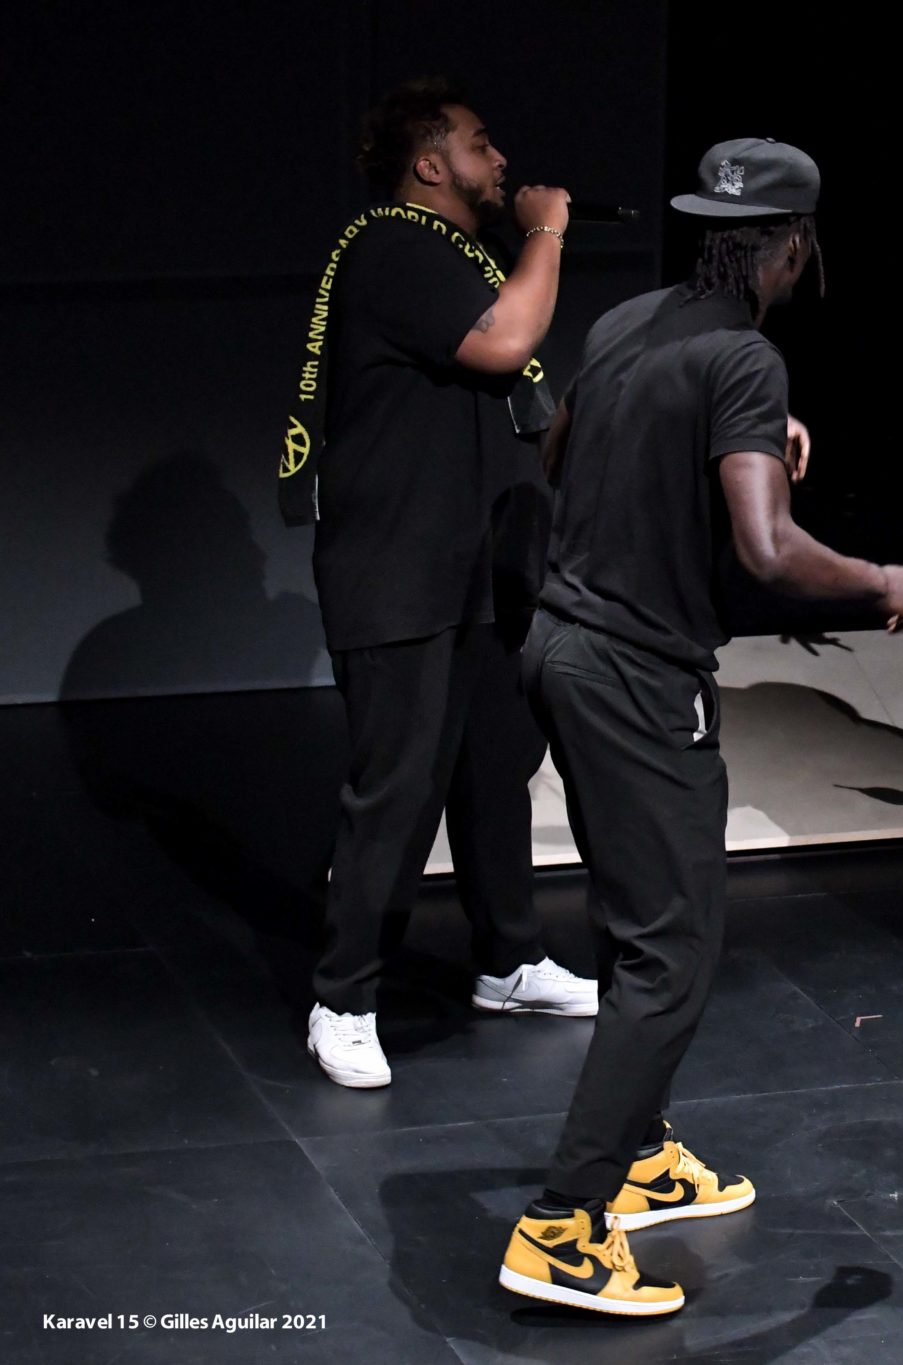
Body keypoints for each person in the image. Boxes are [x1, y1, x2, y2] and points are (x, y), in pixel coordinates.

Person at [498, 138, 903, 1316]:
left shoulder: (629, 322)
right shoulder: (745, 358)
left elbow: (564, 447)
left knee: (636, 920)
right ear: (793, 247)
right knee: (671, 956)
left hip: (558, 648)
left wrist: (742, 444)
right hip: (636, 676)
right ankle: (561, 1225)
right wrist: (880, 580)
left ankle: (639, 1158)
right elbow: (768, 551)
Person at [300, 78, 596, 1091]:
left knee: (492, 771)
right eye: (478, 143)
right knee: (396, 788)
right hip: (396, 568)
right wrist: (547, 232)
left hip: (471, 567)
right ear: (430, 165)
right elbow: (506, 341)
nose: (500, 159)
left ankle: (509, 959)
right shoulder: (396, 247)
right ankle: (343, 998)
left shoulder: (453, 259)